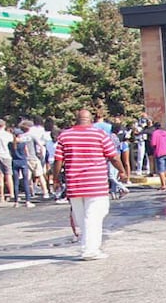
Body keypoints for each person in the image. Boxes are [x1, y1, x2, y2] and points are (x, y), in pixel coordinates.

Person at [52, 108, 125, 260]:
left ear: (76, 119)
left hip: (75, 184)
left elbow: (58, 160)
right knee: (95, 216)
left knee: (82, 217)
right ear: (90, 120)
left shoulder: (64, 136)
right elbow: (113, 156)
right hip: (96, 183)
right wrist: (122, 171)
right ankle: (90, 250)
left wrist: (56, 179)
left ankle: (87, 246)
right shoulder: (99, 135)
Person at [149, 122, 166, 190]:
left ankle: (163, 185)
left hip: (160, 152)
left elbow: (153, 143)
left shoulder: (155, 133)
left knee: (161, 170)